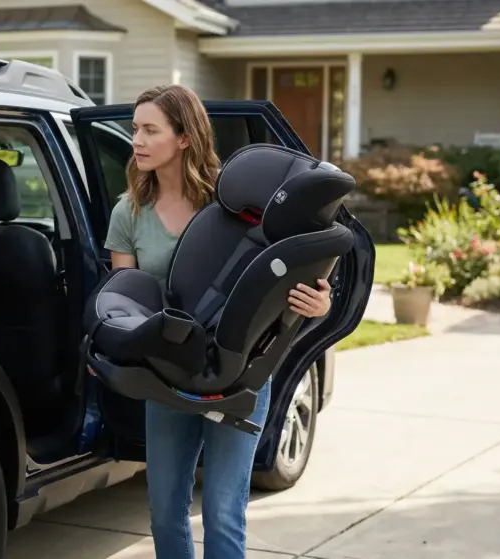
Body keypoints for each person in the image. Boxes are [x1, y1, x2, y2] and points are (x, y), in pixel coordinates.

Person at [103, 84, 332, 559]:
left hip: (239, 370)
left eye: (150, 130)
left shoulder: (236, 202)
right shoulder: (129, 211)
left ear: (184, 137)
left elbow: (286, 276)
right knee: (165, 512)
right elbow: (123, 295)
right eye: (135, 129)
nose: (137, 141)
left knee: (224, 513)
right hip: (167, 372)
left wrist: (318, 303)